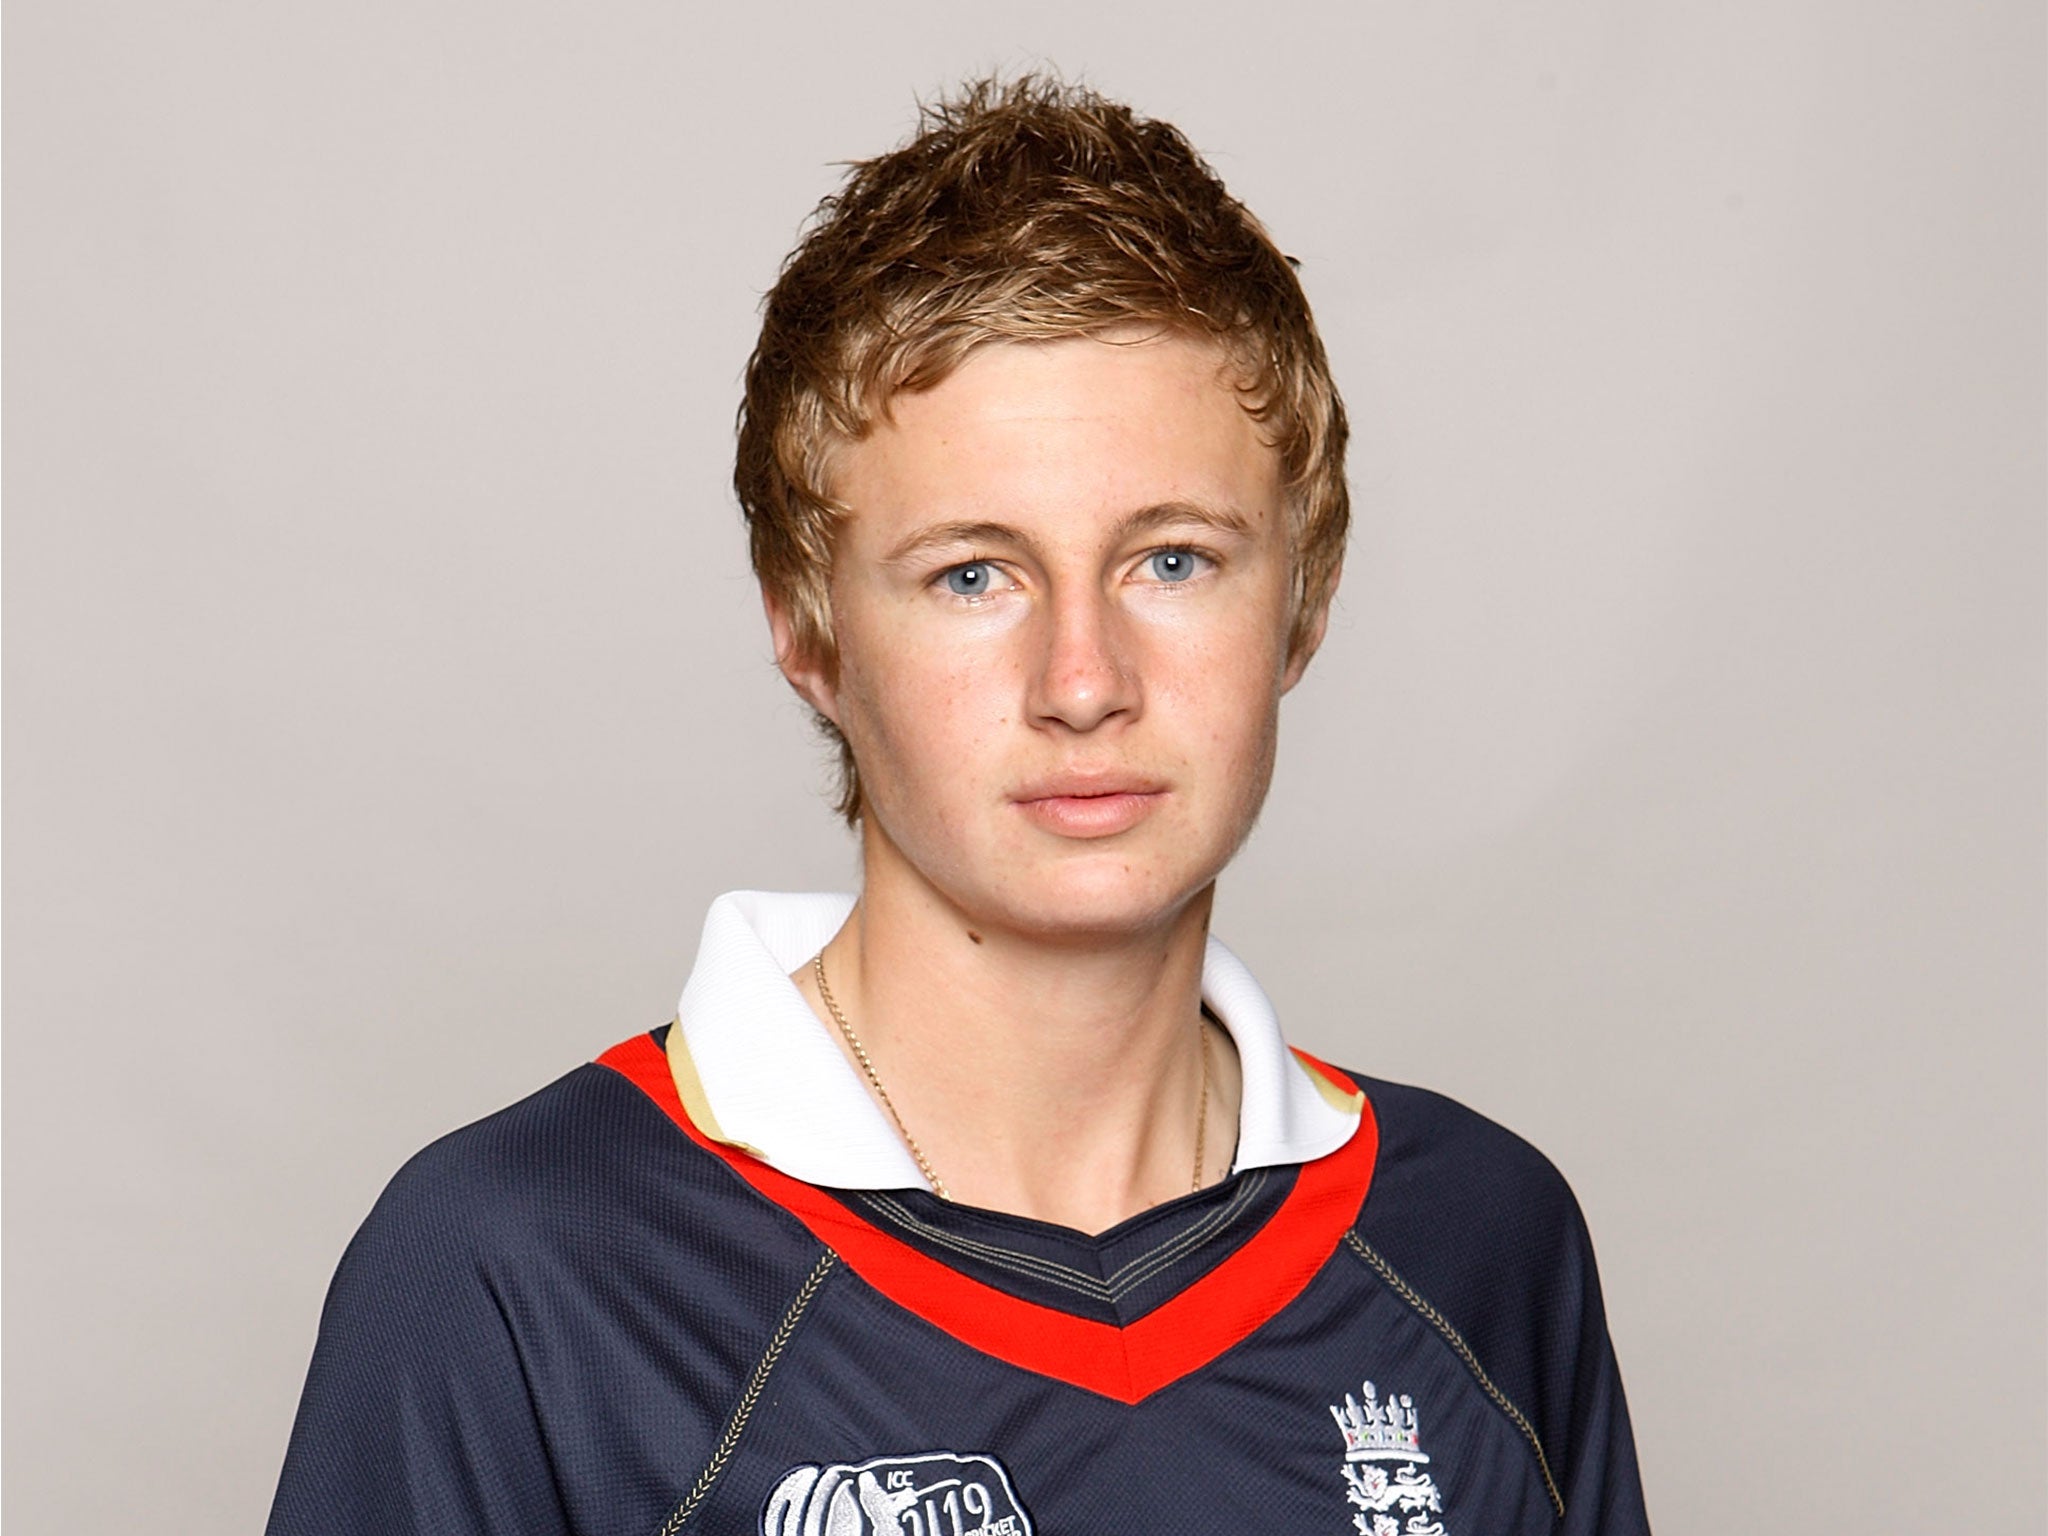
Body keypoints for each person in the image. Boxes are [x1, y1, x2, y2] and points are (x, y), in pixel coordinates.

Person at [267, 76, 1651, 1535]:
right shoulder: (516, 1269)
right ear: (809, 635)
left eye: (1172, 560)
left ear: (1302, 608)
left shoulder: (1480, 1245)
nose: (1082, 680)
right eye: (971, 574)